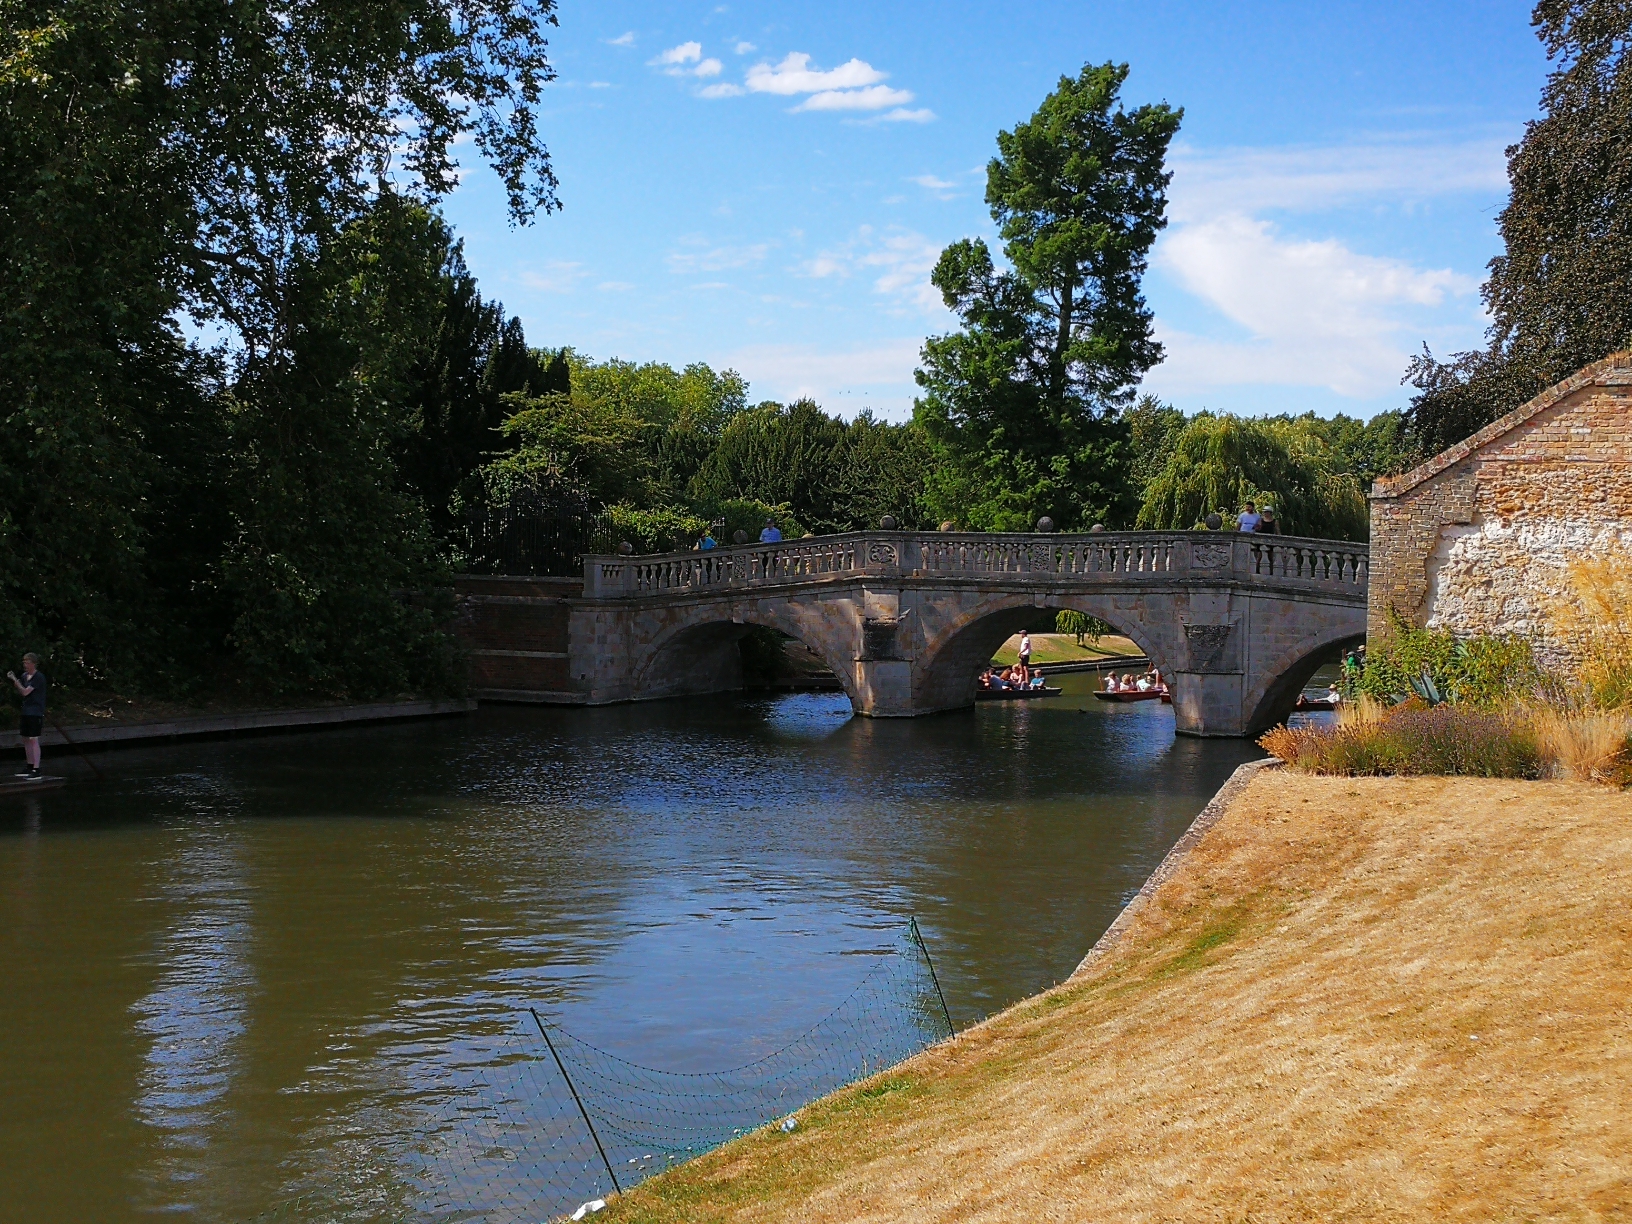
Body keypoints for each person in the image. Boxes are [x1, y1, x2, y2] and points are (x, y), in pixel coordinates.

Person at [9, 653, 46, 778]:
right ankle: (29, 766)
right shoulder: (25, 676)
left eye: (27, 662)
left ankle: (36, 768)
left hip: (35, 712)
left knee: (33, 739)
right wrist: (18, 683)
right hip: (26, 710)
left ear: (33, 663)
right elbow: (22, 691)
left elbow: (25, 692)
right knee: (25, 739)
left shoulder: (38, 677)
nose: (25, 665)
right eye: (24, 662)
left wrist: (15, 681)